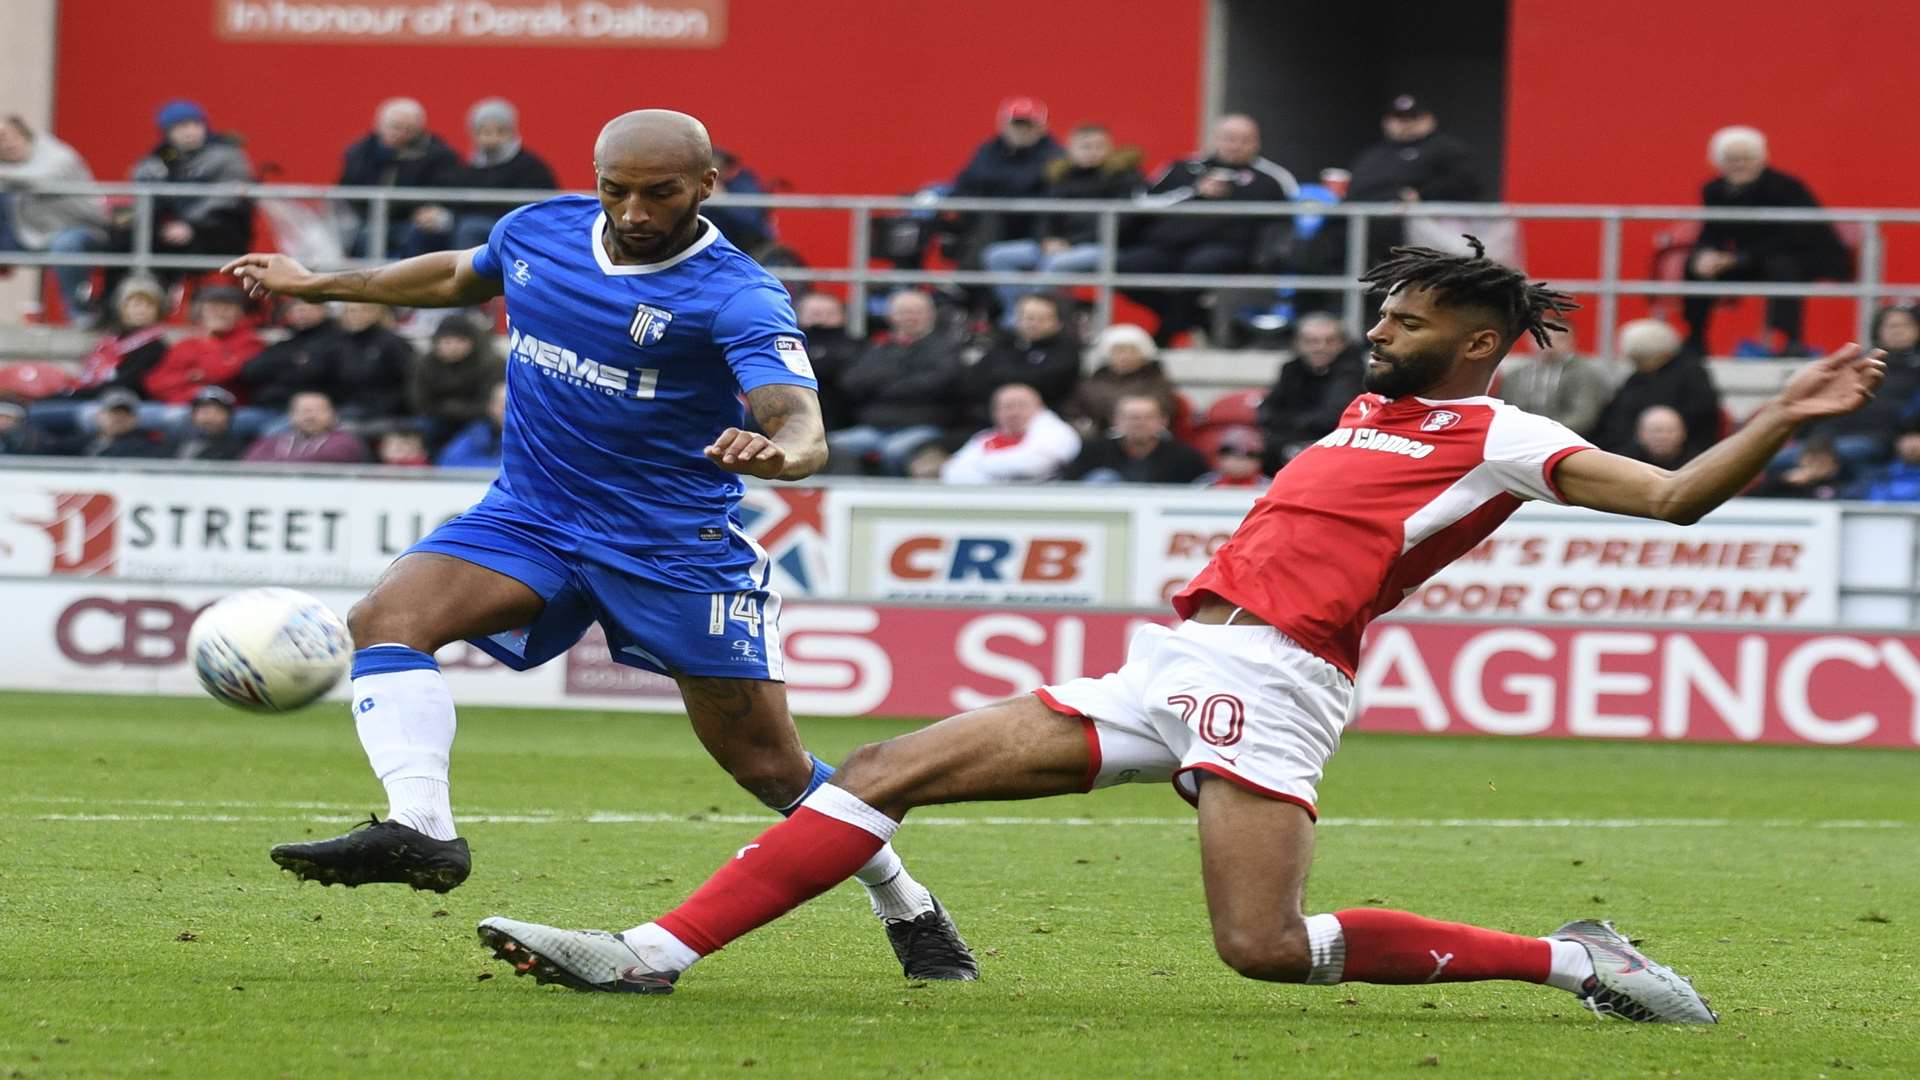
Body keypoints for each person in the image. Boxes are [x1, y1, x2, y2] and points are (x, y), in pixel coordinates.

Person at [474, 240, 1882, 1018]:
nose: (1378, 328)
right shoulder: (1369, 410)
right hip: (1181, 654)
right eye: (1381, 309)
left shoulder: (1504, 430)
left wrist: (1778, 416)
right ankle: (650, 956)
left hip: (1273, 679)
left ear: (1473, 339)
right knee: (891, 764)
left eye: (1407, 318)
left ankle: (1583, 963)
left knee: (1262, 951)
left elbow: (1683, 500)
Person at [222, 109, 973, 981]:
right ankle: (421, 827)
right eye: (617, 190)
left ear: (705, 186)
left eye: (660, 194)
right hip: (532, 514)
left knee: (769, 769)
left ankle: (906, 904)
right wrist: (319, 285)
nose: (635, 212)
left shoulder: (736, 293)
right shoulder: (538, 228)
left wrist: (784, 453)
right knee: (387, 619)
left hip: (669, 547)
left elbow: (798, 417)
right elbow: (456, 278)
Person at [1120, 115, 1299, 343]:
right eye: (1230, 139)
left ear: (1257, 143)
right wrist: (1195, 191)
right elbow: (1143, 201)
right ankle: (1193, 317)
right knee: (1127, 266)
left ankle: (1165, 333)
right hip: (1169, 246)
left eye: (1245, 140)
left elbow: (1286, 222)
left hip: (1231, 250)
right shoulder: (1183, 167)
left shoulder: (1272, 178)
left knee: (1199, 266)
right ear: (1215, 139)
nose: (1236, 146)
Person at [1683, 126, 1850, 356]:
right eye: (1732, 159)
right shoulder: (1713, 190)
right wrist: (1707, 254)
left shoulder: (1787, 186)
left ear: (1761, 159)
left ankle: (1791, 342)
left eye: (1747, 158)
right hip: (1750, 259)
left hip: (1803, 256)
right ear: (1718, 162)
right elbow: (1712, 230)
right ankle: (1695, 341)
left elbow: (1795, 235)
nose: (1740, 165)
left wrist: (1738, 258)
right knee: (1695, 268)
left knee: (1782, 266)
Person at [980, 123, 1143, 319]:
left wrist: (1070, 243)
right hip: (1056, 246)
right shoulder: (1059, 175)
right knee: (997, 255)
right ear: (1070, 148)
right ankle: (1017, 316)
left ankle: (1028, 321)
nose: (1092, 152)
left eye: (1099, 146)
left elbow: (1122, 222)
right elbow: (1044, 216)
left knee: (1056, 263)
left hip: (1101, 247)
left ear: (1110, 148)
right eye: (1086, 146)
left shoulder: (1125, 178)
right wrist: (1046, 240)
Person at [826, 290, 964, 475]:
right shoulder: (877, 346)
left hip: (923, 426)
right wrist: (899, 377)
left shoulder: (946, 347)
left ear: (931, 315)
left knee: (894, 451)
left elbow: (936, 383)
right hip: (873, 428)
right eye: (903, 311)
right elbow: (851, 381)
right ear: (890, 315)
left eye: (917, 311)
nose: (910, 317)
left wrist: (880, 384)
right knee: (830, 445)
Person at [1344, 95, 1485, 259]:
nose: (1406, 124)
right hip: (1371, 230)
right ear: (1387, 122)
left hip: (1427, 231)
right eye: (1399, 118)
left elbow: (1469, 183)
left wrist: (1421, 195)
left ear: (1428, 119)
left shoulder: (1446, 148)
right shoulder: (1375, 153)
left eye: (1413, 118)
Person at [0, 115, 109, 326]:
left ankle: (79, 314)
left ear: (24, 134)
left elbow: (40, 179)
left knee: (65, 245)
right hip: (30, 233)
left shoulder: (58, 156)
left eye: (6, 136)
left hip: (81, 228)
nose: (5, 144)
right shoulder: (7, 167)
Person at [125, 100, 255, 262]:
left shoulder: (226, 155)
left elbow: (228, 198)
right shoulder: (156, 160)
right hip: (169, 228)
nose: (190, 131)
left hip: (214, 227)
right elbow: (142, 193)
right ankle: (135, 286)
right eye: (181, 126)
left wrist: (189, 224)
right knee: (124, 239)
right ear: (166, 132)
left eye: (196, 124)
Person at [338, 98, 464, 258]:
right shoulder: (359, 153)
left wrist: (435, 210)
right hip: (368, 220)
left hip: (414, 222)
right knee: (361, 237)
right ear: (379, 125)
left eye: (409, 129)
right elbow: (347, 191)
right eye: (395, 127)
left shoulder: (439, 155)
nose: (401, 134)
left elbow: (448, 190)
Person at [945, 97, 1064, 265]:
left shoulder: (1054, 156)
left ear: (1043, 127)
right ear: (1003, 125)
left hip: (1029, 224)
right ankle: (908, 283)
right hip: (978, 219)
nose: (1021, 130)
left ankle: (963, 282)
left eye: (1028, 125)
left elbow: (1023, 184)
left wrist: (992, 186)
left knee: (992, 218)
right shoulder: (988, 149)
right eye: (1016, 124)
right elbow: (965, 182)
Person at [1590, 319, 1721, 462]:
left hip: (1677, 453)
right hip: (1627, 446)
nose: (1636, 364)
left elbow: (1698, 416)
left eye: (1640, 359)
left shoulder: (1691, 375)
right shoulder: (1636, 378)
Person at [1805, 304, 1920, 465]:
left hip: (1883, 440)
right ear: (1878, 330)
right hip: (1834, 437)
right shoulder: (1858, 364)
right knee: (1781, 459)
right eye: (1891, 325)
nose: (1898, 330)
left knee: (1840, 455)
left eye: (1906, 324)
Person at [1257, 313, 1366, 468]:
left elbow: (1332, 417)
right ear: (1297, 343)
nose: (1320, 347)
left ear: (1342, 344)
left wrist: (1287, 423)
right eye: (1311, 341)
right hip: (1289, 443)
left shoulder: (1352, 373)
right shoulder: (1290, 369)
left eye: (1329, 341)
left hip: (1335, 446)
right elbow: (1266, 411)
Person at [453, 98, 559, 250]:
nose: (492, 138)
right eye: (484, 131)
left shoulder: (531, 166)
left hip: (517, 227)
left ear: (511, 132)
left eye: (500, 131)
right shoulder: (468, 167)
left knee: (470, 229)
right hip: (471, 225)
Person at [964, 292, 1081, 421]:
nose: (1032, 323)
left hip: (1045, 420)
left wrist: (1002, 376)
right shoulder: (1005, 342)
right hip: (989, 417)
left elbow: (1043, 382)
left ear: (1058, 322)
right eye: (1027, 317)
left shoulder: (1066, 350)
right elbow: (976, 377)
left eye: (1041, 319)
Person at [939, 383, 1081, 484]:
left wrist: (982, 463)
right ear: (995, 413)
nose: (1014, 413)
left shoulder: (1056, 431)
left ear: (1040, 407)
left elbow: (1034, 465)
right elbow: (952, 472)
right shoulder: (984, 438)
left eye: (1021, 405)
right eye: (1006, 407)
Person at [143, 285, 262, 404]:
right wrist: (189, 378)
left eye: (227, 308)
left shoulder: (249, 342)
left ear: (240, 313)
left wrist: (209, 339)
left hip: (228, 411)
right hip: (182, 405)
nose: (220, 313)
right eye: (214, 308)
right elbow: (155, 383)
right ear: (200, 312)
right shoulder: (187, 343)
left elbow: (219, 373)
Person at [1065, 393, 1210, 484]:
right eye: (1132, 418)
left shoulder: (1185, 458)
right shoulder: (1093, 452)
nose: (1139, 423)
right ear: (1115, 421)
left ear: (1163, 421)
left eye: (1148, 417)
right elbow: (1068, 488)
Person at [1495, 328, 1611, 438]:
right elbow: (1505, 410)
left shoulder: (1586, 373)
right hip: (1520, 439)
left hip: (1569, 441)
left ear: (1572, 341)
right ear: (1529, 340)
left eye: (1560, 338)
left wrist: (1542, 433)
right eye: (1541, 337)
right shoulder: (1515, 375)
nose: (1549, 343)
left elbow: (1583, 418)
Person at [1065, 323, 1178, 435]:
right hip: (1098, 438)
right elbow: (1073, 413)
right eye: (1119, 351)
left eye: (1132, 351)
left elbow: (1163, 411)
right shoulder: (1091, 383)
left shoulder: (1157, 381)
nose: (1125, 356)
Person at [410, 312, 506, 444]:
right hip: (437, 418)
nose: (453, 347)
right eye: (447, 342)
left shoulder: (491, 363)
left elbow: (491, 404)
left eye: (459, 341)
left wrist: (453, 408)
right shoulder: (426, 364)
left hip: (480, 420)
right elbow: (420, 401)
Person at [68, 276, 170, 400]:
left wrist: (74, 395)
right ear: (122, 309)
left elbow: (123, 383)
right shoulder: (111, 341)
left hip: (125, 405)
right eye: (135, 305)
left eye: (148, 306)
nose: (141, 311)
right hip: (96, 397)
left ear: (158, 311)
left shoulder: (155, 346)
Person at [241, 298, 349, 412]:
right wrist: (292, 361)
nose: (301, 314)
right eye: (295, 310)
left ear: (322, 311)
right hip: (269, 406)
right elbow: (250, 371)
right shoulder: (285, 342)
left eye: (306, 309)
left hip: (312, 409)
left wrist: (279, 369)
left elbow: (312, 373)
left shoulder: (336, 340)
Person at [330, 302, 415, 421]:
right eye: (351, 311)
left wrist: (387, 408)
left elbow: (409, 381)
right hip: (346, 408)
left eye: (364, 310)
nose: (356, 315)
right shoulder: (338, 343)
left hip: (388, 413)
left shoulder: (393, 343)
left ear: (376, 313)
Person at [793, 291, 862, 431]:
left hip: (841, 418)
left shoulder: (857, 346)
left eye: (829, 314)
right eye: (814, 314)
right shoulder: (787, 343)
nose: (821, 320)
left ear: (842, 316)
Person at [242, 390, 369, 464]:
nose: (310, 416)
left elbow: (326, 460)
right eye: (303, 410)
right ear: (291, 415)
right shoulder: (271, 441)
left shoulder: (345, 441)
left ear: (333, 415)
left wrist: (276, 464)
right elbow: (251, 461)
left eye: (318, 410)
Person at [703, 147, 775, 257]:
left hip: (742, 245)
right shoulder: (696, 184)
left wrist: (722, 199)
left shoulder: (743, 182)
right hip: (706, 245)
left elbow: (751, 220)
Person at [1749, 436, 1849, 500]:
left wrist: (1820, 479)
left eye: (1821, 462)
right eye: (1812, 461)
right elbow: (1753, 498)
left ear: (1833, 463)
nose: (1815, 466)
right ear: (1801, 459)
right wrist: (1783, 480)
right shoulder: (1782, 477)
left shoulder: (1842, 480)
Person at [436, 381, 507, 469]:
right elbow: (448, 462)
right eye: (503, 407)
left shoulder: (527, 436)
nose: (509, 413)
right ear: (490, 408)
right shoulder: (478, 434)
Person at [84, 388, 173, 458]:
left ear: (136, 419)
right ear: (98, 416)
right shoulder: (82, 441)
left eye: (126, 414)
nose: (119, 418)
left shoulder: (146, 448)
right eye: (113, 412)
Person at [175, 386, 250, 461]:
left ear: (229, 417)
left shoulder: (237, 449)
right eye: (203, 411)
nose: (209, 417)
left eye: (216, 411)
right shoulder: (176, 440)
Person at [1849, 423, 1920, 502]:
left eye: (1917, 437)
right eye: (1908, 437)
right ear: (1896, 443)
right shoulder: (1876, 475)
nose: (1913, 445)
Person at [1194, 426, 1270, 488]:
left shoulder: (1268, 487)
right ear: (1219, 458)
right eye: (1231, 454)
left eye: (1249, 455)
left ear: (1259, 461)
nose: (1239, 462)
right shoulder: (1204, 485)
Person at [1629, 405, 1694, 469]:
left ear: (1683, 433)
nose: (1663, 437)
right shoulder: (1627, 463)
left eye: (1670, 431)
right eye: (1656, 430)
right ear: (1640, 434)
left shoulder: (1695, 464)